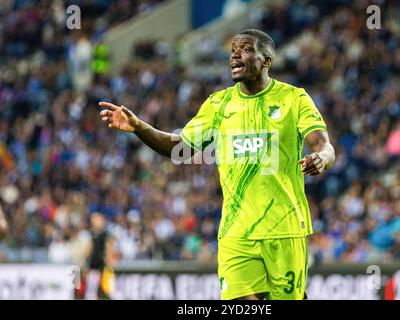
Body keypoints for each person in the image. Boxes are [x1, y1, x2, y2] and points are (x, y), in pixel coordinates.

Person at [98, 29, 335, 300]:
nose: (235, 54)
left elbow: (323, 145)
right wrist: (139, 127)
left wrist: (322, 159)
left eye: (245, 49)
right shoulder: (218, 104)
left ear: (266, 60)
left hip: (283, 229)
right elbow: (181, 149)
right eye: (233, 50)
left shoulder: (294, 99)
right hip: (236, 233)